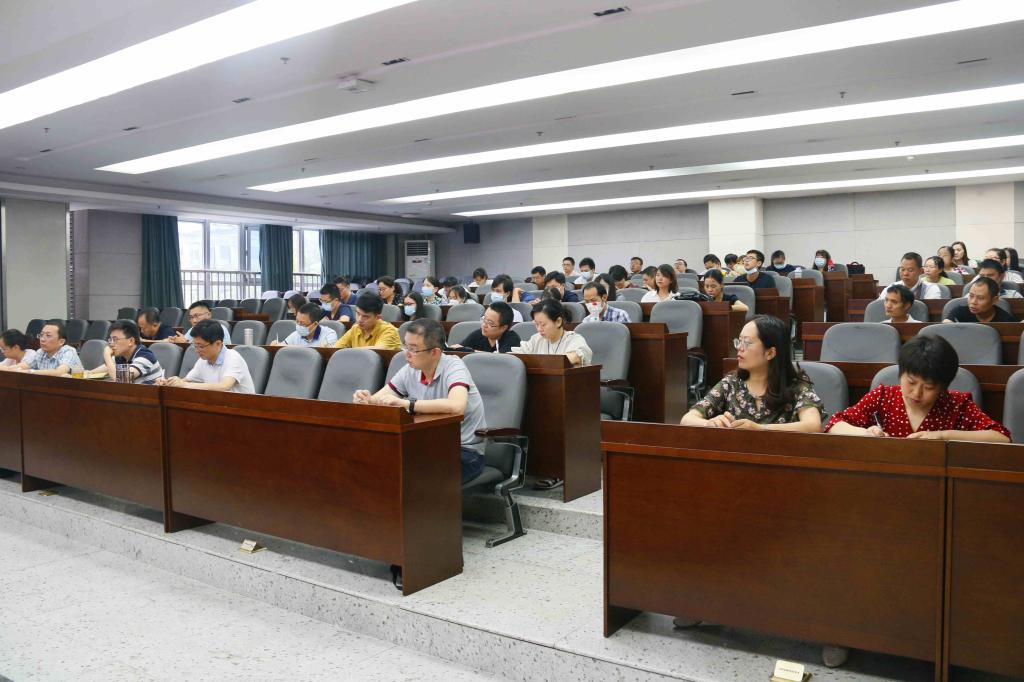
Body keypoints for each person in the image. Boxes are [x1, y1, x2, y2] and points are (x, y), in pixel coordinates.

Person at [354, 318, 486, 483]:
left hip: (463, 452)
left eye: (414, 349)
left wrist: (408, 404)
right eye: (405, 347)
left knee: (408, 473)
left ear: (435, 352)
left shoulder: (454, 367)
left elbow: (456, 406)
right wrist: (367, 400)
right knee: (371, 460)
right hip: (426, 446)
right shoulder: (410, 369)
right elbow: (381, 398)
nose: (407, 354)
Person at [825, 335, 1010, 442]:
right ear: (900, 374)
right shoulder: (882, 396)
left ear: (943, 387)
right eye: (911, 382)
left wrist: (944, 436)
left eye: (928, 387)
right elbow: (834, 424)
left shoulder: (957, 405)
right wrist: (865, 433)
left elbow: (1001, 437)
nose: (916, 393)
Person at [680, 315, 823, 432]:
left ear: (770, 353)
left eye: (747, 343)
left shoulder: (796, 387)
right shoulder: (731, 383)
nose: (739, 348)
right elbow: (687, 419)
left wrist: (760, 429)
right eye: (739, 341)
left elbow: (813, 426)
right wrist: (709, 423)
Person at [156, 320, 254, 393]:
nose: (197, 350)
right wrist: (169, 383)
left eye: (201, 346)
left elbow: (224, 386)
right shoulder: (203, 360)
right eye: (195, 345)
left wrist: (184, 384)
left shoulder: (233, 357)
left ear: (218, 344)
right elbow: (185, 381)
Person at [513, 299, 592, 367]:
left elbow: (576, 357)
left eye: (543, 324)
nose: (539, 329)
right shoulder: (536, 339)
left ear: (558, 322)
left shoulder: (574, 339)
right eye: (537, 324)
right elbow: (517, 356)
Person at [95, 320, 164, 383]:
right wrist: (89, 373)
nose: (111, 344)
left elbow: (120, 378)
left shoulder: (145, 357)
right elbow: (106, 368)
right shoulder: (121, 355)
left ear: (131, 341)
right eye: (110, 339)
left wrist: (107, 355)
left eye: (115, 339)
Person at [334, 292, 402, 349]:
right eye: (358, 314)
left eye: (365, 317)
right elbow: (335, 349)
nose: (359, 320)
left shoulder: (390, 331)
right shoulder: (355, 328)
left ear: (378, 317)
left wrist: (348, 351)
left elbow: (377, 350)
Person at [449, 302, 521, 353]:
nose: (484, 325)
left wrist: (471, 351)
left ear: (503, 328)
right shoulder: (478, 334)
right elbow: (461, 349)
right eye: (484, 319)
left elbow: (500, 358)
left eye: (490, 323)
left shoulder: (512, 338)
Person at [943, 277, 1016, 323]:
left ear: (994, 300)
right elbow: (946, 326)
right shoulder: (958, 312)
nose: (973, 302)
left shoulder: (1005, 320)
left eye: (980, 298)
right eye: (971, 296)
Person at [272, 302, 338, 347]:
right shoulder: (296, 334)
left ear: (315, 324)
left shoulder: (329, 335)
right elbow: (283, 346)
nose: (298, 325)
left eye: (302, 323)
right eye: (297, 321)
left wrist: (290, 347)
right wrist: (276, 346)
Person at [166, 301, 232, 343]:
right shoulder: (193, 329)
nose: (194, 321)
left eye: (197, 316)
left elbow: (212, 351)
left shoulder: (219, 329)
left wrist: (186, 343)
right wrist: (173, 340)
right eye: (191, 317)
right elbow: (184, 340)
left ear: (209, 315)